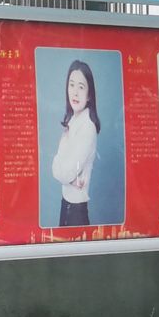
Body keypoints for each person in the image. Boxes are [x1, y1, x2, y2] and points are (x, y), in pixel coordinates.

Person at [49, 59, 101, 227]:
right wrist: (67, 178)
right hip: (65, 206)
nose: (75, 92)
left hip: (76, 213)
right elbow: (58, 170)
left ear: (89, 94)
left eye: (81, 87)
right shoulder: (72, 122)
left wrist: (66, 176)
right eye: (71, 85)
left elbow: (64, 173)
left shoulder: (88, 127)